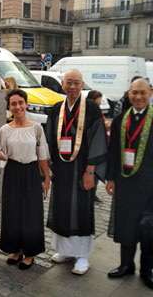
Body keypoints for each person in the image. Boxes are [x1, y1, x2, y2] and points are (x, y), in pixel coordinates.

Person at [45, 69, 108, 275]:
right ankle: (65, 251)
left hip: (82, 169)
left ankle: (81, 255)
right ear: (62, 84)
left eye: (77, 83)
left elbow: (98, 139)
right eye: (69, 82)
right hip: (62, 169)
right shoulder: (56, 109)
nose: (72, 87)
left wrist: (91, 171)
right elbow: (49, 138)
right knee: (62, 207)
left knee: (80, 210)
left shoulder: (91, 109)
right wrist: (50, 165)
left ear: (82, 85)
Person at [106, 78, 153, 289]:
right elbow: (113, 153)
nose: (138, 97)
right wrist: (110, 178)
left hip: (149, 185)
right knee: (126, 226)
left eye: (143, 93)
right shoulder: (119, 121)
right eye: (135, 93)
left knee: (148, 229)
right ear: (129, 94)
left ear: (150, 93)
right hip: (125, 183)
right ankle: (126, 265)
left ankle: (147, 270)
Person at [0, 89, 50, 269]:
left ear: (26, 104)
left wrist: (47, 178)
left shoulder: (36, 128)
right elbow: (3, 154)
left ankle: (30, 252)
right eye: (13, 104)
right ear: (9, 107)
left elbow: (42, 153)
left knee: (31, 212)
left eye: (21, 102)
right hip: (12, 172)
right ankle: (15, 249)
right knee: (12, 212)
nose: (18, 107)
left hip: (31, 172)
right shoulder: (4, 130)